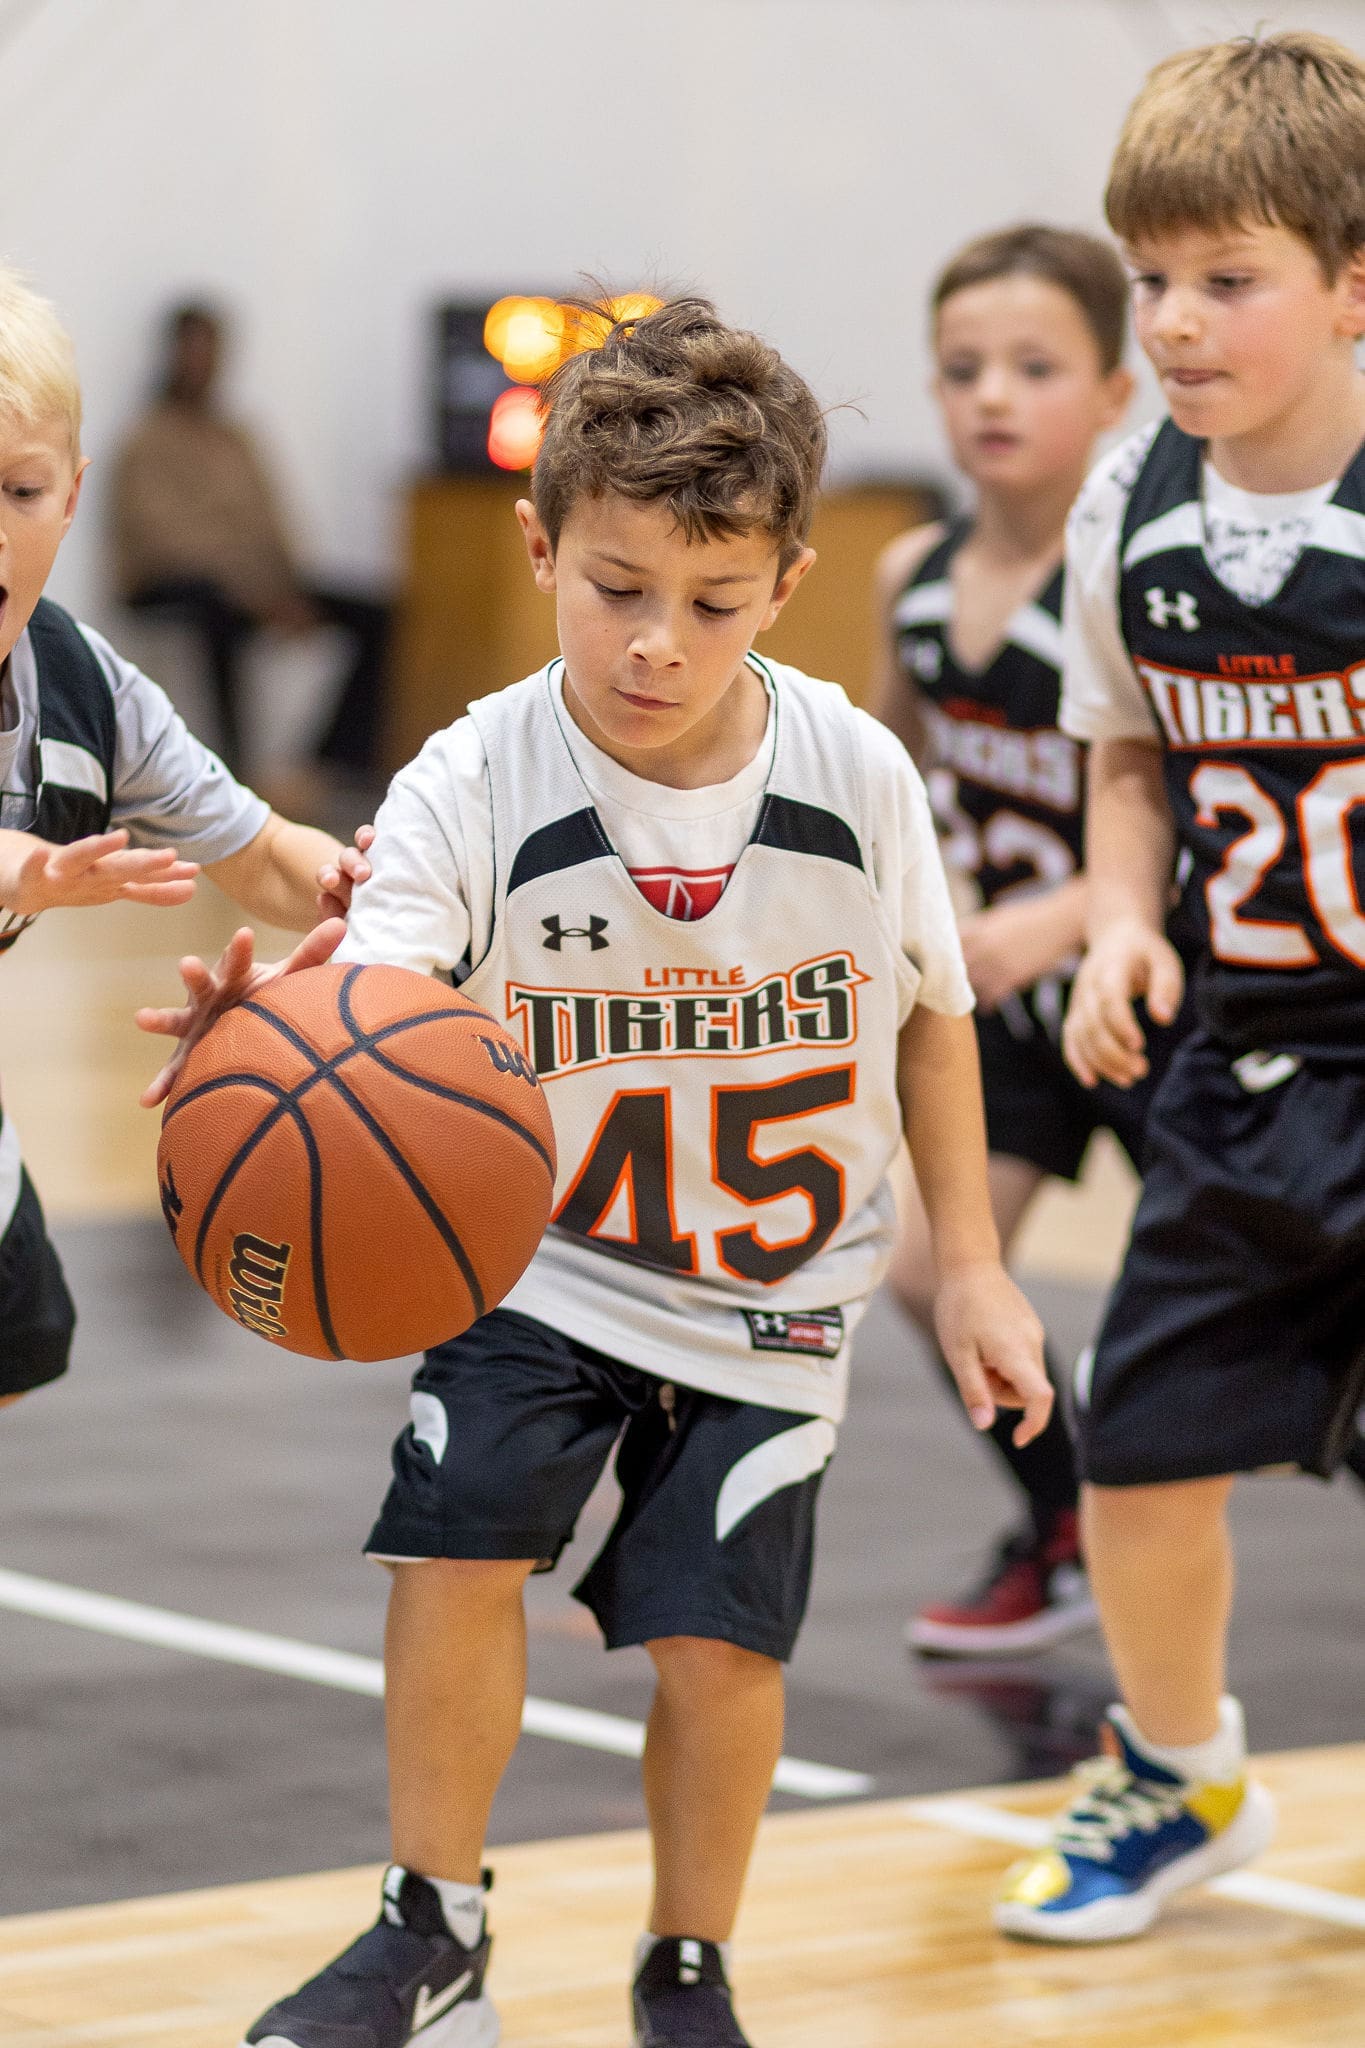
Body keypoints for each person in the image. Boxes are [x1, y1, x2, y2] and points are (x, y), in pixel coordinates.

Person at [143, 297, 1051, 2048]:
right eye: (617, 586)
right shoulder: (475, 777)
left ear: (786, 586)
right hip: (538, 1263)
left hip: (773, 1294)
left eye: (713, 602)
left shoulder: (856, 773)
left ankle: (687, 1962)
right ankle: (432, 1930)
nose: (656, 642)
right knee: (450, 1551)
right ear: (541, 544)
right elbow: (374, 1011)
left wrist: (979, 1267)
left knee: (723, 1647)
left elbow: (935, 1017)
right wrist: (271, 1047)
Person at [996, 30, 1365, 1942]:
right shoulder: (1129, 502)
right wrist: (1126, 920)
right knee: (1136, 1450)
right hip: (1247, 1057)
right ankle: (1181, 1768)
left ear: (1353, 284)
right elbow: (1129, 754)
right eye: (1153, 277)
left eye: (1233, 277)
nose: (1178, 320)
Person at [875, 223, 1172, 1659]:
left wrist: (1059, 918)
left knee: (1277, 1316)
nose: (992, 394)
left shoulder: (1146, 578)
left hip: (1149, 987)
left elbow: (1200, 813)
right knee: (927, 1267)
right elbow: (883, 778)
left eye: (1034, 367)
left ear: (1114, 391)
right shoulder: (913, 578)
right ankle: (1064, 1531)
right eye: (963, 367)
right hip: (1006, 1008)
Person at [0, 265, 369, 1417]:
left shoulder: (86, 685)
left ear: (70, 496)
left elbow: (257, 852)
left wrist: (382, 895)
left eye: (19, 490)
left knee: (13, 1351)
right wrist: (26, 868)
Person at [110, 301, 391, 784]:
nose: (202, 363)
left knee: (377, 613)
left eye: (211, 351)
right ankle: (232, 772)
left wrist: (289, 589)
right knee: (218, 611)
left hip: (255, 586)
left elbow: (272, 520)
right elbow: (164, 542)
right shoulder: (146, 439)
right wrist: (252, 591)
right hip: (172, 586)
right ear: (172, 353)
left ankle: (332, 763)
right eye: (193, 349)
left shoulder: (236, 437)